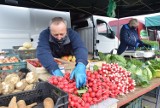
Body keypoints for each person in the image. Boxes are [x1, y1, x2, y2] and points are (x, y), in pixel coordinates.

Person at [36, 17, 88, 88]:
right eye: (55, 35)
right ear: (50, 30)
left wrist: (81, 64)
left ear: (66, 30)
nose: (59, 37)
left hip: (67, 62)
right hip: (52, 60)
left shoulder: (73, 34)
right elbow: (42, 51)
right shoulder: (44, 34)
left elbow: (80, 48)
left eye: (61, 34)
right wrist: (54, 69)